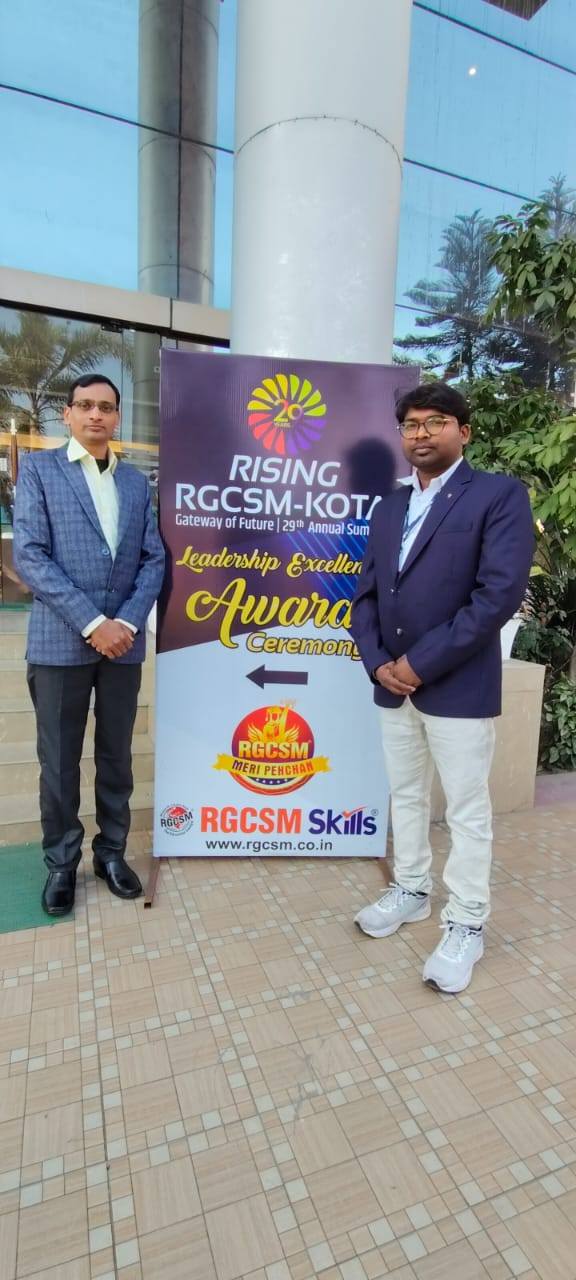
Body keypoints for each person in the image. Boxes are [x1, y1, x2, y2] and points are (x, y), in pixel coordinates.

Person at [351, 383, 534, 993]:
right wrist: (379, 662)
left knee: (465, 809)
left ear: (464, 431)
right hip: (392, 683)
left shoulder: (498, 496)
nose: (421, 433)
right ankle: (411, 890)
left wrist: (419, 663)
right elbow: (367, 594)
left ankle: (467, 921)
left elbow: (497, 596)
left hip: (456, 684)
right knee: (405, 796)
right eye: (410, 424)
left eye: (436, 422)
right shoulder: (389, 506)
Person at [13, 374, 165, 916]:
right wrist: (92, 621)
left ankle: (111, 854)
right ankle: (61, 863)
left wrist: (124, 622)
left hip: (122, 643)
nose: (95, 414)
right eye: (85, 405)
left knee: (116, 755)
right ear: (68, 414)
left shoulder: (135, 483)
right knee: (58, 761)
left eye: (105, 406)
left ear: (117, 417)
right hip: (60, 642)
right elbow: (30, 555)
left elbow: (154, 558)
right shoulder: (39, 470)